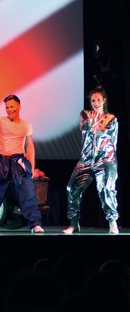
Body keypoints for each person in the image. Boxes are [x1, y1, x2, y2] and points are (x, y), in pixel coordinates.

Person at [0, 94, 44, 234]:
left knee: (28, 195)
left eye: (12, 106)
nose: (9, 109)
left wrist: (32, 167)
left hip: (18, 163)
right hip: (2, 163)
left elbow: (30, 146)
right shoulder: (1, 121)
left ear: (19, 106)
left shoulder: (26, 125)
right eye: (7, 107)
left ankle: (35, 224)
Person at [62, 85, 119, 234]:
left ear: (104, 100)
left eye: (98, 100)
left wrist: (108, 163)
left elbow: (112, 140)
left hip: (105, 160)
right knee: (72, 188)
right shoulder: (85, 114)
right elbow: (86, 127)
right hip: (86, 160)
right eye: (93, 100)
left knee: (106, 189)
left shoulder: (111, 119)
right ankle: (74, 223)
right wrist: (94, 121)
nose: (96, 103)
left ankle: (112, 222)